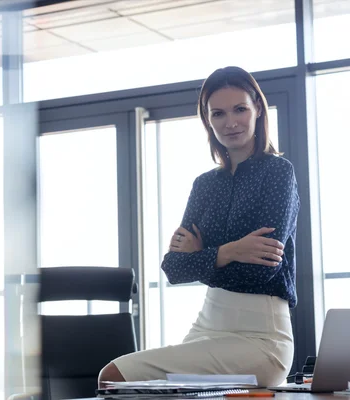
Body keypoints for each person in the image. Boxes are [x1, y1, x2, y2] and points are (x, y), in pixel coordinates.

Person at [99, 66, 300, 388]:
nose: (230, 122)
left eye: (240, 109)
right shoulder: (205, 185)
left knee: (113, 376)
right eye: (218, 113)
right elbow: (174, 268)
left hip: (261, 338)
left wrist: (203, 256)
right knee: (142, 389)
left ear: (258, 109)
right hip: (207, 326)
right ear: (208, 120)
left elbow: (259, 273)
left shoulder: (277, 172)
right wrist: (231, 251)